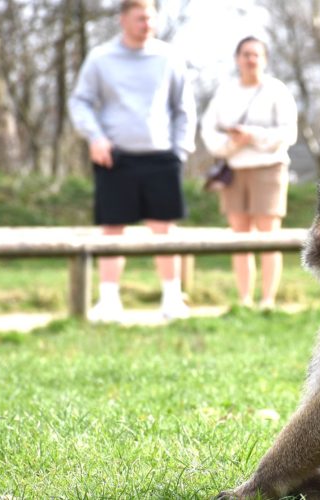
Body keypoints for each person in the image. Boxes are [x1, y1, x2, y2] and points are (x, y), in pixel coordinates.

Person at [68, 0, 196, 321]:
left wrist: (179, 151)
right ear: (122, 19)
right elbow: (80, 102)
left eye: (151, 18)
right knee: (112, 230)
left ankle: (171, 299)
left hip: (161, 157)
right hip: (115, 158)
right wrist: (95, 137)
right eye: (140, 18)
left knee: (164, 230)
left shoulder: (168, 57)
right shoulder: (100, 58)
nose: (147, 24)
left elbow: (184, 108)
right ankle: (109, 300)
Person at [201, 36, 298, 309]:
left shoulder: (277, 91)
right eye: (246, 54)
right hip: (234, 169)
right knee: (240, 235)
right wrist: (232, 144)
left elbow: (288, 133)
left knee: (268, 235)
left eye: (256, 54)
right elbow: (208, 130)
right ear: (237, 59)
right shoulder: (225, 92)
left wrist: (252, 136)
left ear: (264, 59)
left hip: (269, 169)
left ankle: (267, 300)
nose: (251, 59)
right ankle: (244, 300)